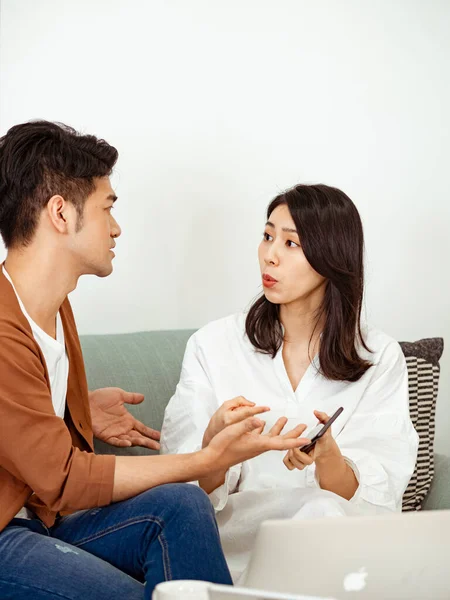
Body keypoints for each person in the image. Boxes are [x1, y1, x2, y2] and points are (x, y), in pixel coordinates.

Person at [0, 121, 310, 600]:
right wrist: (204, 460)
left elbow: (24, 427)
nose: (116, 227)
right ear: (60, 214)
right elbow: (62, 478)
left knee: (183, 507)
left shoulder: (54, 305)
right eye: (107, 208)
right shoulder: (2, 331)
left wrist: (76, 405)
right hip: (5, 536)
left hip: (40, 521)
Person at [161, 183, 419, 581]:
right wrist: (217, 446)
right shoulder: (213, 346)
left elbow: (371, 494)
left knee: (325, 513)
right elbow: (183, 486)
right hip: (240, 541)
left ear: (330, 256)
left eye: (290, 243)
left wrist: (328, 456)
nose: (270, 255)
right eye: (267, 236)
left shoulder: (378, 357)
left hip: (337, 541)